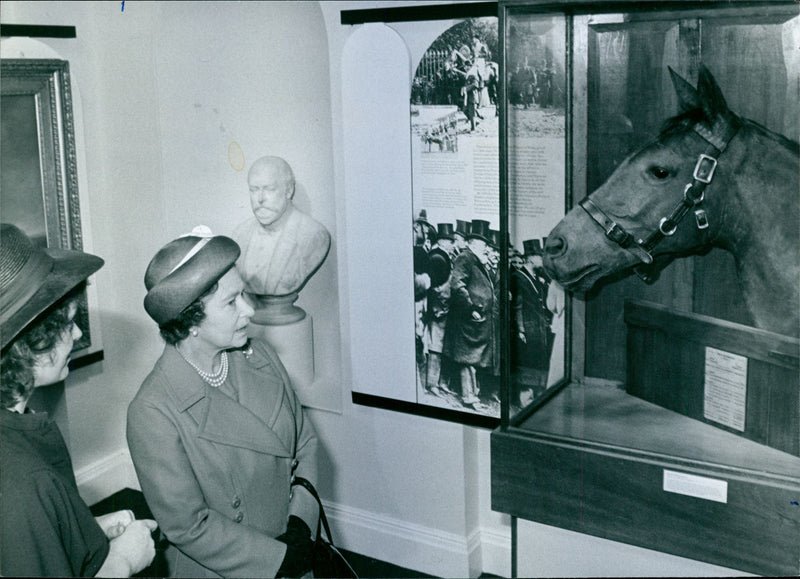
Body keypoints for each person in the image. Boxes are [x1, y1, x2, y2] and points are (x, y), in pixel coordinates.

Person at [127, 227, 319, 578]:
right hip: (237, 569)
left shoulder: (261, 355)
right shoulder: (152, 410)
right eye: (232, 302)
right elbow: (188, 525)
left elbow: (305, 443)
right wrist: (276, 560)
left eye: (243, 295)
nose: (249, 310)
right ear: (190, 320)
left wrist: (301, 525)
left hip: (294, 548)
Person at [0, 223, 158, 577]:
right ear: (29, 342)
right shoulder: (22, 479)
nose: (77, 334)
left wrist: (86, 529)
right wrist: (123, 560)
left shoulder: (15, 426)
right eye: (68, 323)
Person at [233, 156, 331, 298]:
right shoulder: (240, 234)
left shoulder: (313, 235)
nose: (260, 199)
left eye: (270, 189)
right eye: (253, 190)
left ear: (289, 190)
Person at [443, 219, 497, 408]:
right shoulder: (466, 257)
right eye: (483, 244)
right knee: (468, 357)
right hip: (469, 318)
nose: (486, 247)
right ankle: (469, 397)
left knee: (473, 358)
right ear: (473, 243)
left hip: (477, 320)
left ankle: (473, 394)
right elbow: (457, 284)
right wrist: (471, 308)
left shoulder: (475, 259)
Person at [510, 238, 555, 406]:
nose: (541, 260)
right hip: (527, 329)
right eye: (539, 256)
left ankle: (534, 398)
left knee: (537, 361)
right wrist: (521, 330)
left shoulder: (536, 277)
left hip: (538, 328)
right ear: (530, 258)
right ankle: (524, 399)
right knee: (527, 363)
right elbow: (517, 306)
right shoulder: (518, 277)